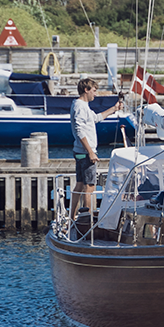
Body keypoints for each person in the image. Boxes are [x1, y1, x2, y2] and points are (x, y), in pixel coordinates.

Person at [70, 78, 123, 220]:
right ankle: (86, 219)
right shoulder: (80, 107)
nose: (95, 94)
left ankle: (72, 217)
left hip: (79, 152)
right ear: (86, 90)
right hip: (86, 153)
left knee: (80, 185)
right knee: (90, 186)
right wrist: (91, 151)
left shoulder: (81, 105)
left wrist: (114, 109)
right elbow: (79, 130)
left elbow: (96, 118)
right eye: (94, 90)